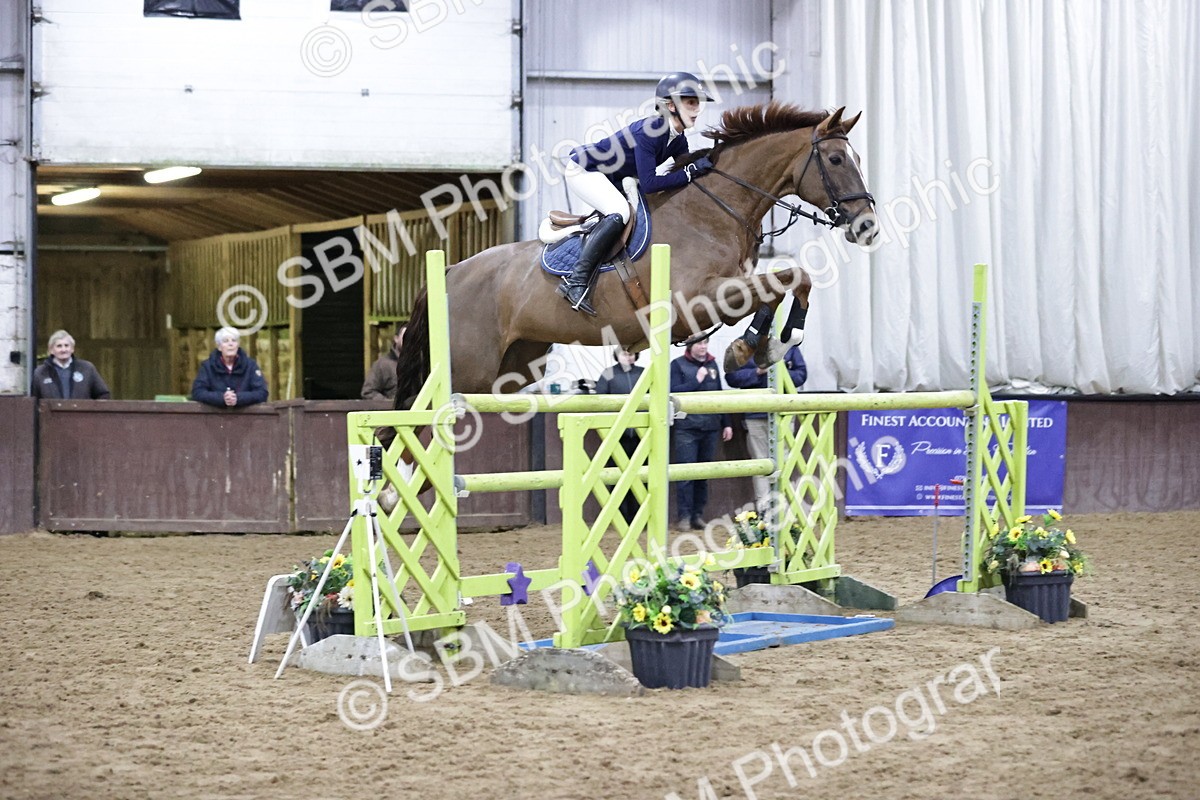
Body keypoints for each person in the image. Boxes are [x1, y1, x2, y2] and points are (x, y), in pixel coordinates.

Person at [558, 71, 715, 315]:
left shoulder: (678, 139)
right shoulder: (649, 132)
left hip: (614, 177)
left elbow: (688, 171)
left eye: (698, 103)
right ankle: (576, 282)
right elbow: (651, 183)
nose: (697, 109)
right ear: (671, 105)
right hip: (584, 170)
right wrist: (689, 173)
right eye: (691, 102)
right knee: (619, 212)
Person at [726, 344, 808, 511]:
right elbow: (732, 377)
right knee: (761, 463)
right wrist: (757, 373)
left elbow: (801, 375)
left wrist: (779, 374)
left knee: (783, 462)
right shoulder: (744, 346)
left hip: (783, 413)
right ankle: (765, 510)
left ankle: (782, 508)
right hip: (756, 414)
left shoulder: (789, 347)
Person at [669, 337, 732, 530]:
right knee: (686, 473)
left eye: (706, 343)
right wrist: (695, 381)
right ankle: (684, 516)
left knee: (703, 474)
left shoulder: (713, 364)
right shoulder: (677, 365)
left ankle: (697, 515)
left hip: (710, 426)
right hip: (686, 428)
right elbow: (671, 391)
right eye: (699, 344)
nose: (703, 347)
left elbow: (720, 394)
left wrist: (726, 423)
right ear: (690, 346)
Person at [595, 346, 646, 525]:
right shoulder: (608, 373)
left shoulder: (644, 373)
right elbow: (599, 401)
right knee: (616, 478)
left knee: (640, 477)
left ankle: (638, 518)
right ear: (617, 355)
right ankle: (619, 518)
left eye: (631, 353)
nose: (628, 357)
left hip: (640, 435)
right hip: (617, 436)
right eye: (625, 353)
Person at [191, 327, 269, 408]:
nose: (230, 344)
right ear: (219, 347)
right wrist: (221, 398)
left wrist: (238, 398)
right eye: (226, 341)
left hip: (245, 416)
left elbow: (262, 393)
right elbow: (197, 392)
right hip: (215, 416)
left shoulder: (250, 365)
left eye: (234, 340)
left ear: (238, 345)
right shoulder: (207, 366)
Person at [31, 330, 111, 399]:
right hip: (51, 416)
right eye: (59, 346)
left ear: (72, 349)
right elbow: (34, 400)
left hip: (81, 416)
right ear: (51, 350)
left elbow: (103, 394)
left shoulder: (87, 368)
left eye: (66, 345)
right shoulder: (40, 372)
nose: (63, 350)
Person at [362, 324, 405, 401]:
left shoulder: (421, 363)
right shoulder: (382, 365)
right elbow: (368, 392)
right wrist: (389, 404)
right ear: (396, 338)